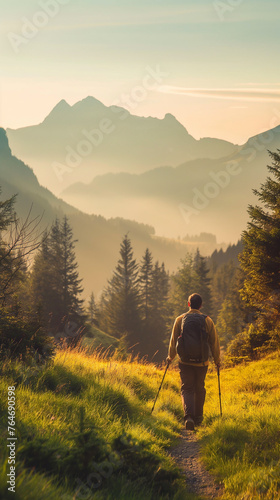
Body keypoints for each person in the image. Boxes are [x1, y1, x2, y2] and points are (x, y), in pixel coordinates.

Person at [167, 293, 220, 430]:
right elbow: (214, 343)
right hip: (202, 362)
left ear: (189, 304)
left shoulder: (180, 319)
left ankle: (189, 417)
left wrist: (170, 357)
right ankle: (199, 417)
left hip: (185, 362)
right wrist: (217, 360)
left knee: (187, 388)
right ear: (201, 305)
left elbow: (174, 342)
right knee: (199, 388)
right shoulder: (207, 320)